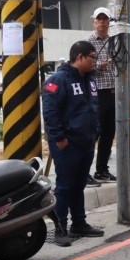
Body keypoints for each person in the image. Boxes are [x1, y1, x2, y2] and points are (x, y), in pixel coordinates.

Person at [42, 41, 105, 247]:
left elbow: (92, 108)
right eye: (91, 58)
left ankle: (79, 223)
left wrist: (95, 134)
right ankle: (60, 228)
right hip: (67, 144)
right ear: (79, 57)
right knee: (65, 186)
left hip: (86, 142)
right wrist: (59, 138)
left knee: (79, 185)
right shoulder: (59, 79)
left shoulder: (90, 80)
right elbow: (50, 112)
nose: (94, 61)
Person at [87, 6, 116, 184]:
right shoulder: (88, 41)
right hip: (97, 93)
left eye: (106, 19)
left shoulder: (115, 40)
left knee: (109, 133)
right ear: (94, 21)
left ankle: (102, 170)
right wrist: (101, 64)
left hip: (114, 92)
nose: (103, 22)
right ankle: (85, 172)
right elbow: (84, 64)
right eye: (100, 19)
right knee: (94, 133)